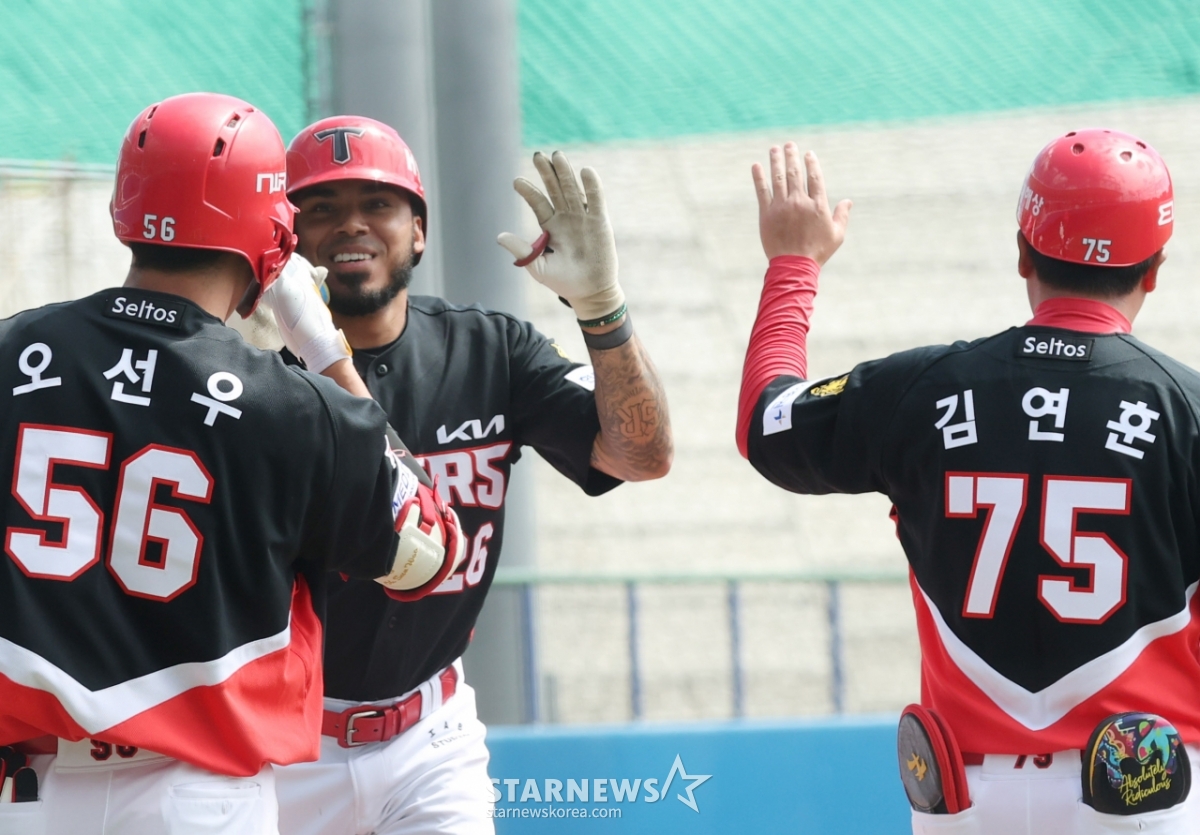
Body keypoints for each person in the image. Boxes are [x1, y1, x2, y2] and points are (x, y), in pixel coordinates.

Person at [0, 93, 463, 835]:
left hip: (31, 793)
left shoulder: (10, 352)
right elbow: (430, 556)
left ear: (125, 210)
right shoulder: (297, 406)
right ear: (273, 237)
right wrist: (325, 352)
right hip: (199, 799)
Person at [736, 135, 1200, 833]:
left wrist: (793, 263)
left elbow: (764, 423)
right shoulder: (1187, 409)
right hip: (1145, 791)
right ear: (1156, 269)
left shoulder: (921, 390)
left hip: (963, 803)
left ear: (1023, 253)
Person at [270, 116, 672, 835]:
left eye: (378, 204)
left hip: (431, 735)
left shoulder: (492, 349)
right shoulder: (251, 377)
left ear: (419, 232)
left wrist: (602, 308)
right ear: (286, 239)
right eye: (321, 208)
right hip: (280, 741)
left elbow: (642, 455)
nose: (351, 225)